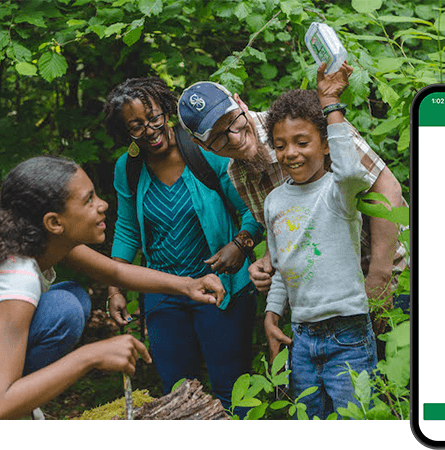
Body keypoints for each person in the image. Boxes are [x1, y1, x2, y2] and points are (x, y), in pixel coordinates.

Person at [0, 156, 225, 420]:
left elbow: (116, 273)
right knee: (63, 311)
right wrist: (91, 355)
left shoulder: (38, 240)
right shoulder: (16, 278)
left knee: (73, 296)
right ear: (54, 223)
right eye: (89, 200)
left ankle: (16, 400)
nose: (102, 205)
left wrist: (188, 285)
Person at [177, 74, 410, 343]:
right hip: (334, 302)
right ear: (200, 145)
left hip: (391, 273)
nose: (235, 138)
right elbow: (292, 232)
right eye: (217, 137)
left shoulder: (301, 126)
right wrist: (268, 263)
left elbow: (386, 189)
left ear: (239, 103)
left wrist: (379, 278)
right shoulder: (238, 175)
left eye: (233, 121)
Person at [102, 77, 261, 412]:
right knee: (175, 394)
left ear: (167, 111)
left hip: (221, 288)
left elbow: (252, 211)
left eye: (155, 117)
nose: (149, 130)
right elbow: (128, 229)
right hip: (164, 292)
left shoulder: (205, 151)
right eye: (136, 126)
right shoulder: (128, 168)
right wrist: (116, 289)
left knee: (232, 391)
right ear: (124, 131)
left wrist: (240, 246)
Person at [261, 63, 378, 419]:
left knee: (355, 420)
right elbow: (283, 266)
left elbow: (351, 170)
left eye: (302, 142)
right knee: (307, 421)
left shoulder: (337, 191)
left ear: (325, 145)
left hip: (348, 334)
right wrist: (271, 313)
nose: (290, 153)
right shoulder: (274, 201)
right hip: (301, 337)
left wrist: (331, 104)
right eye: (281, 146)